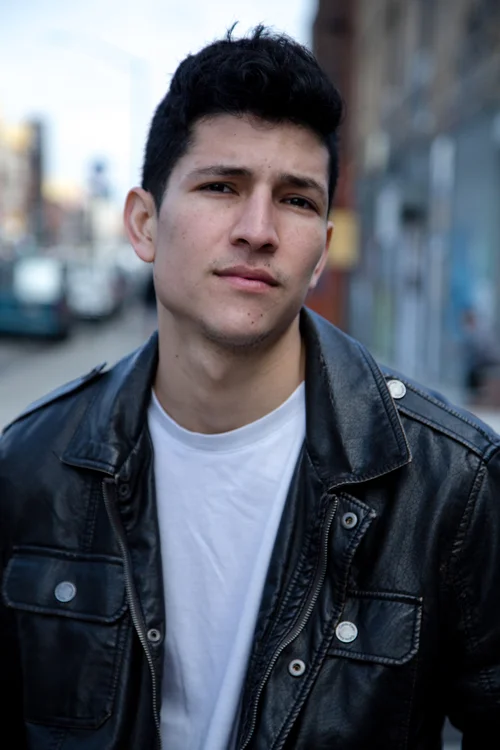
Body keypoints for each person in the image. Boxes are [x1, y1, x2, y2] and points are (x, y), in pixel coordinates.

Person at [1, 25, 499, 750]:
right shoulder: (32, 466)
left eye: (296, 200)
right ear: (143, 223)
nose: (258, 229)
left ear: (321, 252)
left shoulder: (450, 483)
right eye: (221, 186)